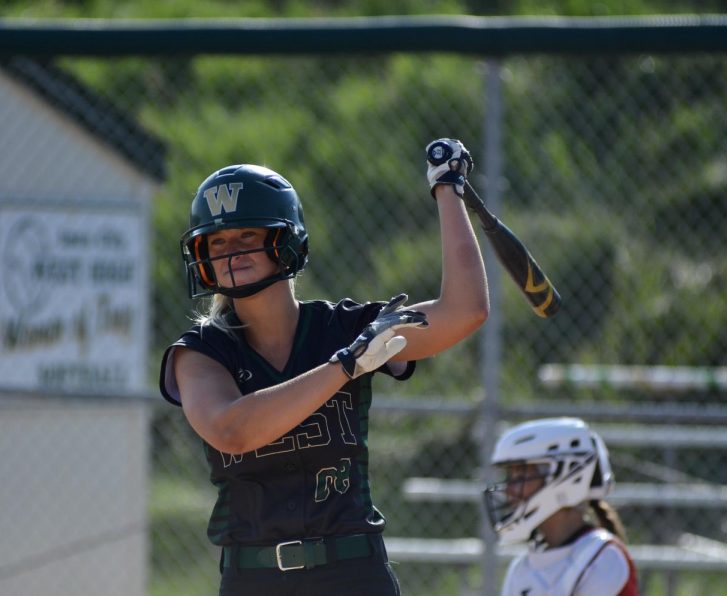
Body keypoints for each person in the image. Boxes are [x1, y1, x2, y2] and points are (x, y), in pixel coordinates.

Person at [159, 138, 489, 596]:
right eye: (216, 242)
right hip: (255, 578)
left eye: (247, 236)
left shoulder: (344, 327)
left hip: (354, 570)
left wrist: (447, 189)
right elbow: (231, 429)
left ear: (285, 241)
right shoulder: (201, 350)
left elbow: (464, 310)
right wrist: (346, 366)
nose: (230, 253)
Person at [483, 417, 638, 596]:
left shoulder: (602, 558)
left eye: (520, 476)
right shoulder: (522, 568)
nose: (509, 490)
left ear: (564, 475)